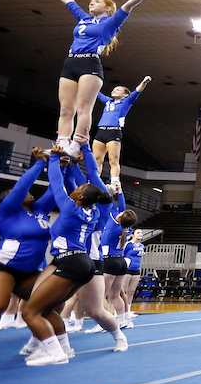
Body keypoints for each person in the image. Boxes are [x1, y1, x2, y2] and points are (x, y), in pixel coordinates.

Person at [20, 149, 126, 365]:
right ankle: (48, 343)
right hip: (65, 258)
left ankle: (118, 337)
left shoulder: (98, 212)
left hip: (86, 260)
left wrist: (57, 158)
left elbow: (64, 185)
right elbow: (78, 188)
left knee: (94, 310)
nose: (76, 188)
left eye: (79, 189)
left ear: (80, 197)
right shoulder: (92, 210)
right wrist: (72, 167)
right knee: (40, 300)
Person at [41, 0, 156, 157]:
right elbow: (68, 0)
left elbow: (128, 6)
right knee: (65, 108)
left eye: (96, 1)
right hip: (71, 61)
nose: (91, 3)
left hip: (90, 63)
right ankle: (61, 143)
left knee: (83, 108)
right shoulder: (83, 18)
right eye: (91, 1)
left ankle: (77, 143)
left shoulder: (111, 22)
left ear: (108, 8)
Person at [0, 151, 53, 351]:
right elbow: (22, 186)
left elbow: (56, 190)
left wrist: (63, 165)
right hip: (0, 267)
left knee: (51, 302)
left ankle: (36, 343)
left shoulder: (38, 211)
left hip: (28, 273)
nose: (28, 193)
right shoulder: (7, 211)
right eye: (18, 193)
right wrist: (40, 163)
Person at [91, 76, 152, 187]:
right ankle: (94, 180)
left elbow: (137, 91)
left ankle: (114, 181)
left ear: (125, 95)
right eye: (113, 89)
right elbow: (96, 93)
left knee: (113, 159)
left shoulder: (126, 101)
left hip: (113, 132)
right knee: (96, 159)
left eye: (118, 90)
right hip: (101, 131)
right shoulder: (108, 101)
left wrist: (144, 82)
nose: (114, 91)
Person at [99, 184, 137, 329]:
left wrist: (110, 192)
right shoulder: (127, 228)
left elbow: (111, 205)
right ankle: (123, 320)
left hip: (110, 261)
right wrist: (120, 192)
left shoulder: (113, 224)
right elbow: (122, 207)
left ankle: (104, 323)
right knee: (116, 294)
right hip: (120, 261)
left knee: (101, 295)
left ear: (120, 217)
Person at [122, 229, 145, 314]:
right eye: (138, 233)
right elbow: (122, 254)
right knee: (123, 290)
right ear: (132, 235)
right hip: (127, 269)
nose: (140, 234)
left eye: (141, 233)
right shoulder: (128, 244)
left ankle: (128, 310)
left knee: (131, 291)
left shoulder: (142, 246)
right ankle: (121, 310)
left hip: (136, 270)